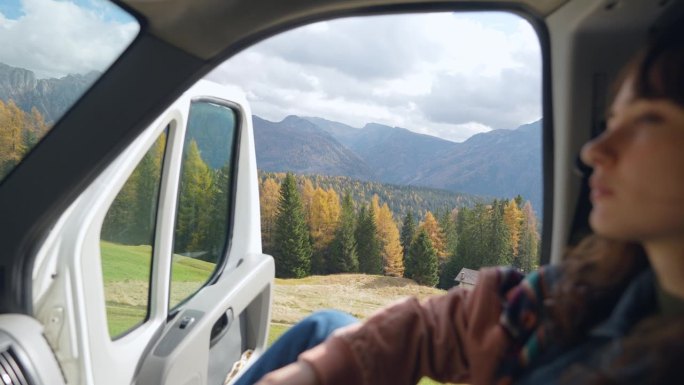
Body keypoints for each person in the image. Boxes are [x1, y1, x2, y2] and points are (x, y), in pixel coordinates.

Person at [239, 21, 684, 385]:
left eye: (648, 120)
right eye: (611, 122)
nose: (593, 152)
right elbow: (462, 320)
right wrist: (317, 373)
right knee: (327, 328)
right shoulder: (603, 283)